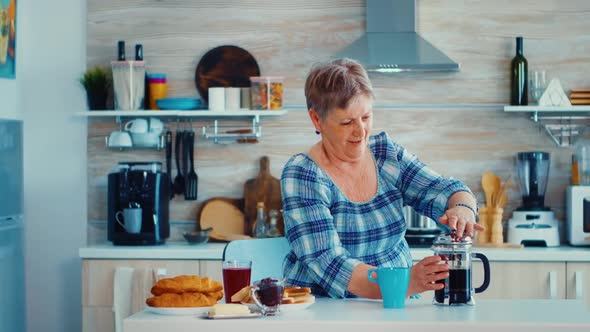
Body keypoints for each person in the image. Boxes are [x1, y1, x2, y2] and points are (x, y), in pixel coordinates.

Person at [280, 58, 483, 299]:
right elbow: (330, 264)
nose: (360, 131)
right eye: (346, 122)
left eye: (366, 117)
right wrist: (406, 282)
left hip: (396, 303)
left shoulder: (386, 155)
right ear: (316, 119)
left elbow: (445, 189)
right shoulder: (303, 173)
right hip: (326, 310)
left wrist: (462, 208)